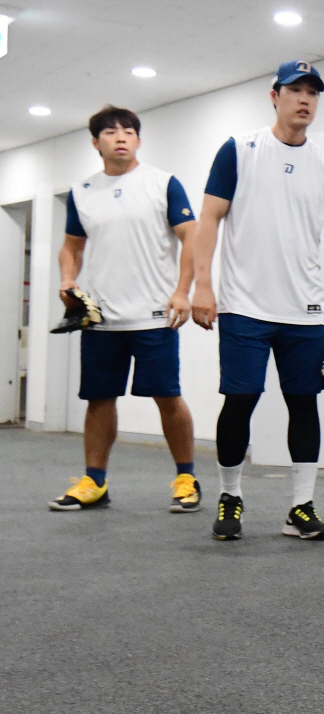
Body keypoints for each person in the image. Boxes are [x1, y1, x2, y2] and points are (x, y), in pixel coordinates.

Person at [191, 60, 324, 541]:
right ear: (275, 96)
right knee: (241, 400)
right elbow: (208, 220)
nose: (305, 99)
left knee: (304, 404)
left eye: (313, 92)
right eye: (295, 90)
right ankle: (231, 498)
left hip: (303, 311)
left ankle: (301, 507)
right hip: (243, 306)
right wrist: (201, 285)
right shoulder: (239, 151)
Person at [49, 106, 200, 513]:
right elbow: (71, 247)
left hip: (154, 314)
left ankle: (186, 477)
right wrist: (68, 280)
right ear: (95, 142)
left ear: (137, 139)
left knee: (168, 397)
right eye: (112, 132)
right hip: (99, 317)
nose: (121, 137)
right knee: (99, 399)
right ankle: (94, 481)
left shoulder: (162, 183)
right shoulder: (82, 191)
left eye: (129, 131)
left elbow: (191, 237)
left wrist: (183, 291)